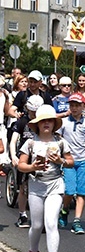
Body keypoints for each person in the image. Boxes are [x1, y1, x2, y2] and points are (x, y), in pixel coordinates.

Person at [18, 104, 74, 252]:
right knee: (36, 225)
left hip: (55, 185)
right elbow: (20, 165)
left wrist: (60, 161)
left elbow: (71, 161)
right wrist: (33, 166)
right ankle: (33, 251)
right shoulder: (31, 142)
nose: (47, 124)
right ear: (37, 124)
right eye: (43, 121)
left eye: (50, 120)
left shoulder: (60, 141)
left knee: (51, 223)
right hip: (36, 185)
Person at [56, 92, 85, 234]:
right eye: (72, 105)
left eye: (77, 106)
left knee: (81, 192)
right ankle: (65, 210)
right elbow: (58, 141)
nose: (74, 108)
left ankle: (77, 220)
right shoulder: (65, 123)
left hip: (83, 160)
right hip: (68, 161)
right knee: (69, 190)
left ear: (83, 106)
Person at [10, 95, 45, 228]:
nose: (34, 114)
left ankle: (40, 216)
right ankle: (22, 214)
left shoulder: (43, 122)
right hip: (25, 158)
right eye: (32, 111)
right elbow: (14, 140)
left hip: (39, 156)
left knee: (41, 187)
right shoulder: (21, 122)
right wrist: (13, 155)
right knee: (23, 187)